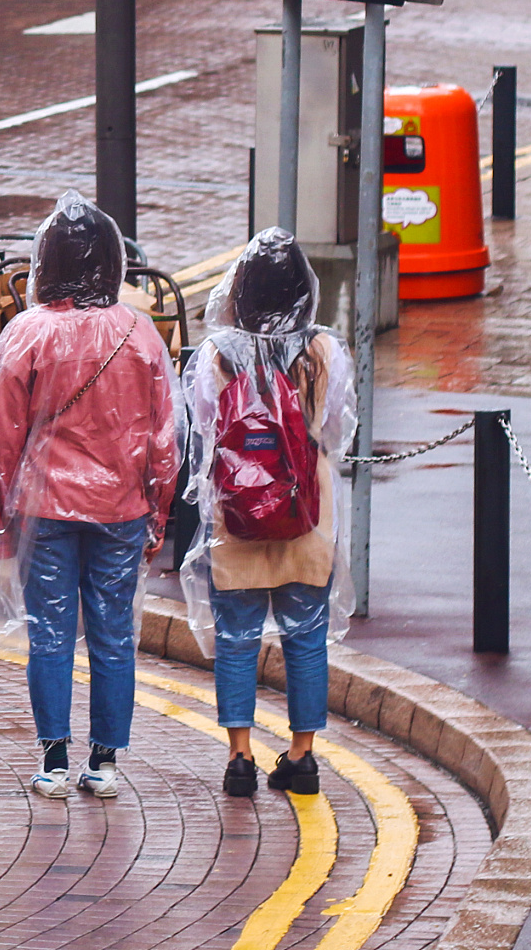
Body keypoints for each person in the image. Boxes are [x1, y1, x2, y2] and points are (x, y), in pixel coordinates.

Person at [0, 193, 180, 801]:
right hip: (123, 509)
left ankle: (53, 760)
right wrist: (157, 516)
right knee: (113, 634)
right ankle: (105, 761)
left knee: (49, 633)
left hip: (44, 506)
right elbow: (165, 437)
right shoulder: (140, 334)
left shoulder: (26, 333)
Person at [178, 229, 356, 800]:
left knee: (236, 637)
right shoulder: (326, 350)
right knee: (307, 636)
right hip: (309, 513)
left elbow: (203, 431)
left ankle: (239, 759)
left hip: (236, 516)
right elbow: (337, 430)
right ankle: (302, 757)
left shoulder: (215, 355)